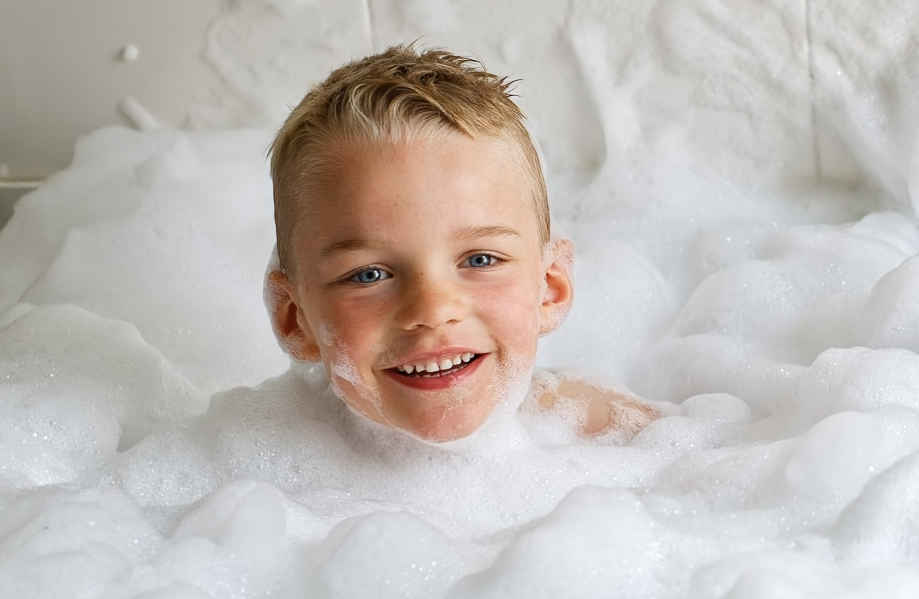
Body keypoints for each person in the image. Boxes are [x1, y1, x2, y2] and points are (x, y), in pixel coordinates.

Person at [263, 45, 658, 444]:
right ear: (295, 319)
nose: (433, 310)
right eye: (369, 274)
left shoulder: (604, 430)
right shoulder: (259, 476)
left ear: (550, 288)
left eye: (480, 259)